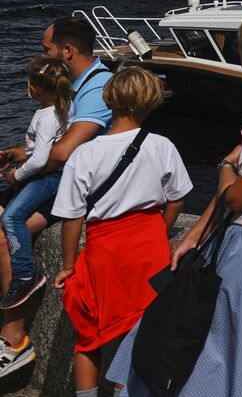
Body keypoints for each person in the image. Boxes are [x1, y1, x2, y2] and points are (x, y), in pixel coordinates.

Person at [107, 10, 242, 397]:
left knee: (222, 351)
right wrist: (196, 231)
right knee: (238, 351)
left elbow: (240, 194)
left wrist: (224, 167)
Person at [52, 66, 189, 397]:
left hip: (104, 250)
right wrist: (160, 230)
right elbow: (177, 199)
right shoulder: (161, 145)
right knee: (142, 331)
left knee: (89, 334)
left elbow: (72, 217)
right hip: (150, 248)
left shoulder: (85, 153)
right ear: (149, 103)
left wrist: (69, 265)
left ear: (109, 100)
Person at [0, 18, 115, 378]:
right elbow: (47, 144)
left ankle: (14, 342)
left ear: (68, 51)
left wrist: (20, 172)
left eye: (47, 50)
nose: (43, 56)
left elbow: (64, 152)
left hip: (74, 189)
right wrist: (20, 153)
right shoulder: (70, 86)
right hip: (54, 179)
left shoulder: (97, 89)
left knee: (5, 234)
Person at [0, 58, 73, 311]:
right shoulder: (65, 108)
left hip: (50, 178)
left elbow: (41, 158)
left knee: (11, 218)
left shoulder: (45, 117)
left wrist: (16, 175)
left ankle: (24, 275)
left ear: (34, 88)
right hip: (54, 176)